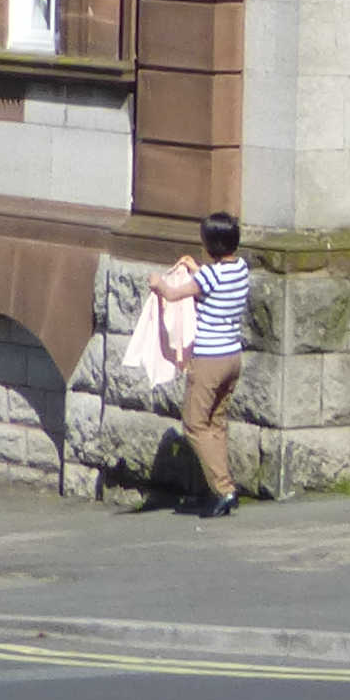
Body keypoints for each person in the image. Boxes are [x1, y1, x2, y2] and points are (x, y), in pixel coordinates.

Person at [149, 211, 252, 516]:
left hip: (209, 358)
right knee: (216, 423)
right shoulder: (240, 269)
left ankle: (224, 488)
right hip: (232, 357)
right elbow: (210, 281)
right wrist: (196, 268)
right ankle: (220, 487)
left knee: (194, 424)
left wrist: (157, 283)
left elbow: (173, 293)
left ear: (210, 245)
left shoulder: (209, 276)